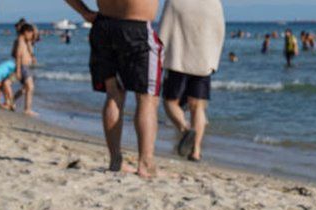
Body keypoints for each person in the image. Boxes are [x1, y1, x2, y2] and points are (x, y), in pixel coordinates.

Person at [63, 0, 162, 178]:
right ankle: (146, 163)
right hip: (137, 27)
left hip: (104, 26)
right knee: (147, 98)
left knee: (114, 94)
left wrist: (84, 12)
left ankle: (115, 159)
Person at [158, 0, 224, 162]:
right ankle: (196, 151)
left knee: (170, 102)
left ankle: (185, 128)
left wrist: (160, 57)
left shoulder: (174, 1)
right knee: (197, 107)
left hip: (177, 59)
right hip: (203, 60)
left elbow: (164, 29)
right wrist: (214, 60)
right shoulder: (213, 3)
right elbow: (219, 32)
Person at [12, 23, 36, 116]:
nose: (31, 36)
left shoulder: (24, 41)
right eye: (31, 34)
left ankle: (12, 100)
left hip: (25, 66)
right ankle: (27, 109)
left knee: (25, 88)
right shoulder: (20, 41)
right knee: (30, 87)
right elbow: (18, 56)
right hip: (22, 66)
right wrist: (18, 70)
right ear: (26, 32)